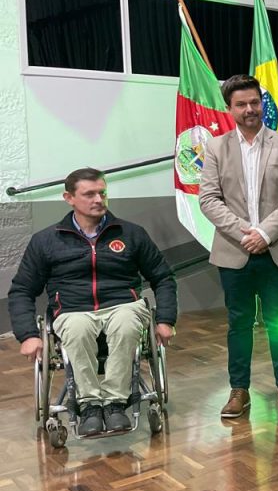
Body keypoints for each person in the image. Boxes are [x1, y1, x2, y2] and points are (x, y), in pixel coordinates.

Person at [8, 168, 177, 435]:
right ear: (69, 198)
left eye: (102, 193)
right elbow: (22, 290)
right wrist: (28, 335)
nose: (98, 199)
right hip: (72, 309)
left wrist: (165, 320)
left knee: (125, 322)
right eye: (89, 194)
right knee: (77, 328)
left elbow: (163, 277)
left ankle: (115, 403)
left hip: (123, 304)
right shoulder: (46, 241)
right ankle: (89, 406)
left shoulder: (131, 233)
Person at [199, 74, 278, 418]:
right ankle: (239, 390)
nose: (250, 109)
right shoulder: (215, 148)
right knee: (239, 324)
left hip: (276, 250)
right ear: (229, 109)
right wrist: (245, 233)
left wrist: (265, 233)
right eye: (241, 104)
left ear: (262, 104)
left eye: (254, 102)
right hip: (235, 251)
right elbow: (208, 199)